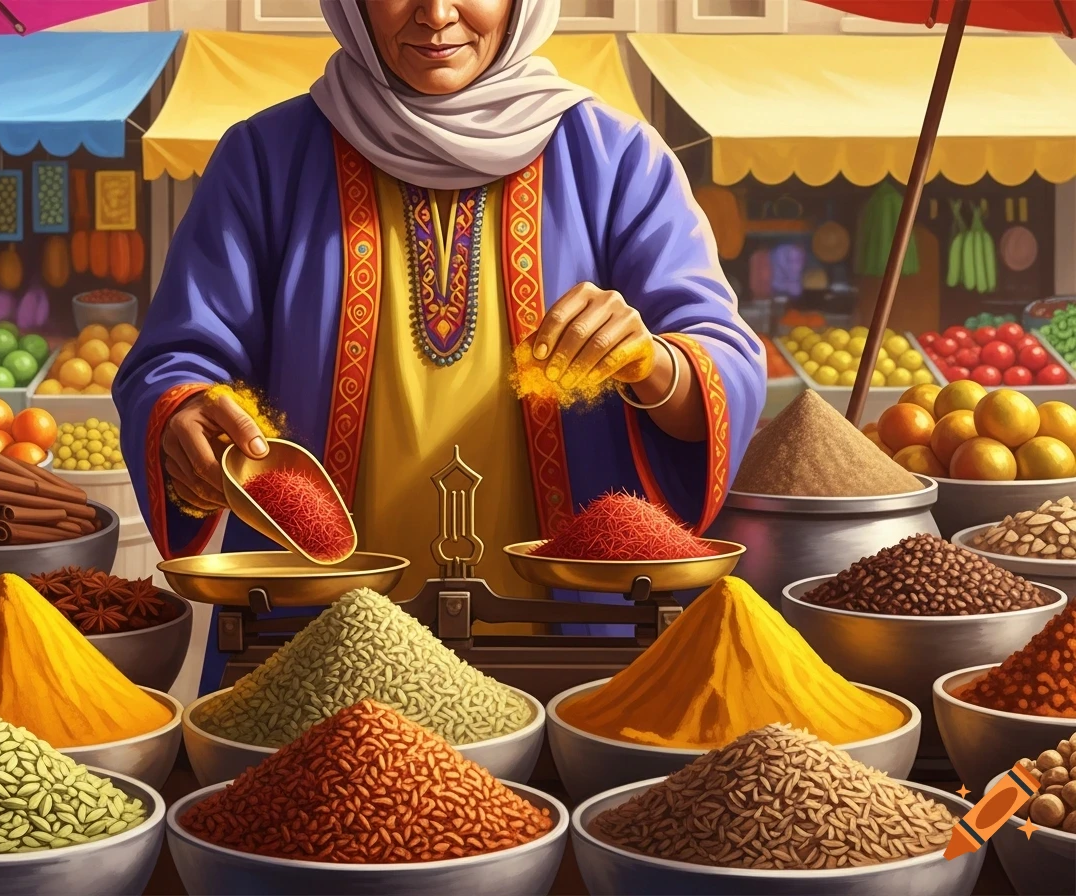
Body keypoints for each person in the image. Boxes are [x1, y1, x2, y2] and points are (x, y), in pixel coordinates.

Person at [114, 0, 765, 694]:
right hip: (313, 649)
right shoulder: (266, 159)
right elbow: (176, 361)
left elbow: (722, 358)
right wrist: (185, 416)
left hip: (574, 643)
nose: (436, 14)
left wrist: (652, 363)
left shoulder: (616, 159)